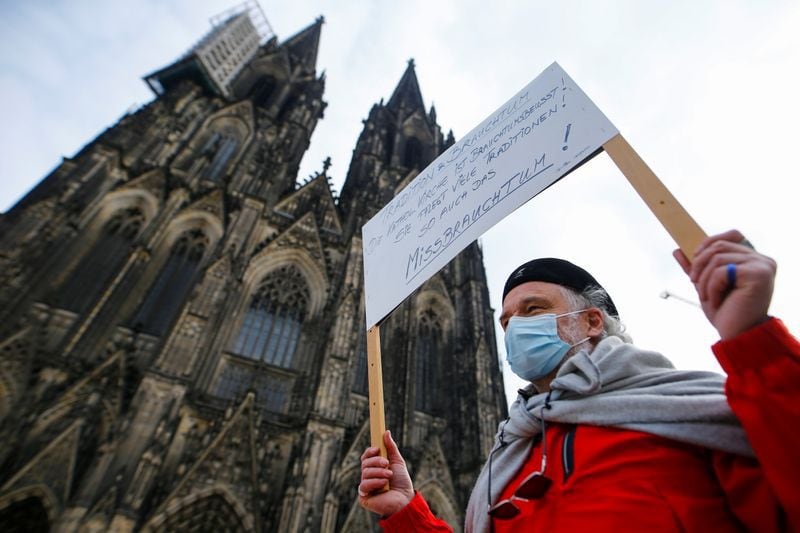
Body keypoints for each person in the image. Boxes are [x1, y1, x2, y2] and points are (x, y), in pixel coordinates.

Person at [358, 230, 800, 532]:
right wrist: (408, 515)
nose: (514, 329)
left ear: (591, 320)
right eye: (506, 321)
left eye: (532, 310)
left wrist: (756, 344)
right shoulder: (508, 454)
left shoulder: (687, 411)